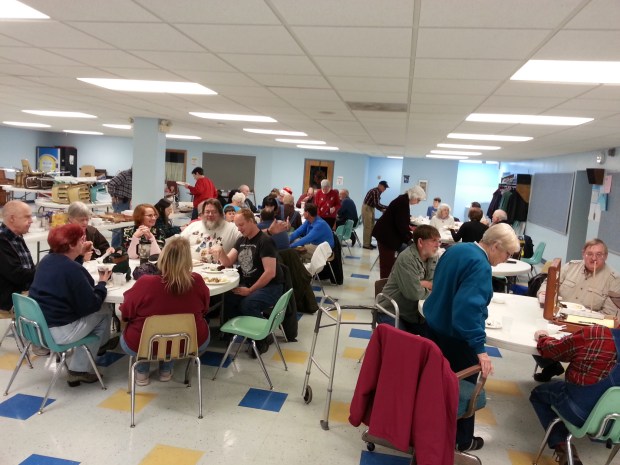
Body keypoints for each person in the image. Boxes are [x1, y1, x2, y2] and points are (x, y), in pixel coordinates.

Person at [423, 223, 520, 452]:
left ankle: (432, 428)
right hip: (455, 337)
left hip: (433, 326)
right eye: (507, 253)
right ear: (495, 246)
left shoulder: (457, 249)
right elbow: (466, 311)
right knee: (464, 387)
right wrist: (480, 350)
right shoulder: (480, 265)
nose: (506, 258)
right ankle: (462, 440)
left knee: (436, 384)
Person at [28, 223, 114, 387]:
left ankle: (93, 352)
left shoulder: (46, 261)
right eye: (82, 240)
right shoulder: (73, 270)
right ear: (72, 245)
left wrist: (80, 256)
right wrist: (102, 283)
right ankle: (83, 366)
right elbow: (91, 305)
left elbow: (68, 274)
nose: (84, 242)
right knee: (104, 310)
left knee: (98, 311)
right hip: (59, 333)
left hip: (37, 329)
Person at [120, 236, 211, 386]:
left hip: (142, 344)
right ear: (188, 260)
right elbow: (204, 309)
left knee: (140, 326)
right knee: (179, 325)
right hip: (189, 342)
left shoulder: (146, 283)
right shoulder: (197, 281)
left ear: (163, 256)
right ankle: (166, 370)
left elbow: (126, 312)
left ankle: (142, 372)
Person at [529, 324, 620, 465]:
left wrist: (543, 337)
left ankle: (563, 448)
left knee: (538, 394)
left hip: (580, 413)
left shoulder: (597, 335)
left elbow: (552, 350)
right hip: (617, 423)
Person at [534, 238, 620, 382]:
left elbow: (609, 316)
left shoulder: (614, 279)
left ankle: (575, 376)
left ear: (605, 256)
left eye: (599, 254)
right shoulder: (570, 267)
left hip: (587, 329)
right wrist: (544, 294)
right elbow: (548, 284)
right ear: (583, 254)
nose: (593, 258)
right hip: (557, 319)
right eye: (589, 253)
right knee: (536, 333)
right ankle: (551, 365)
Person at [214, 209, 284, 354]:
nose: (239, 229)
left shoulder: (265, 241)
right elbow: (228, 262)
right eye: (237, 226)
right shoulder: (241, 240)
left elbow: (270, 273)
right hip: (250, 284)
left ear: (252, 221)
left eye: (241, 225)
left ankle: (263, 337)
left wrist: (250, 291)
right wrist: (221, 252)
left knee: (248, 304)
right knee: (228, 298)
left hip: (270, 286)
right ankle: (231, 333)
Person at [377, 225, 440, 335]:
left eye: (439, 241)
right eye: (434, 241)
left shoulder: (433, 256)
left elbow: (437, 283)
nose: (438, 245)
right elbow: (414, 293)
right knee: (403, 344)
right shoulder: (406, 258)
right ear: (420, 242)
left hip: (414, 315)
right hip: (392, 311)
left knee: (440, 335)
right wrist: (428, 286)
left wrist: (424, 284)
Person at [372, 185, 426, 279]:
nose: (418, 202)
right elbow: (400, 225)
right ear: (413, 196)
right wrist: (409, 238)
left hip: (388, 235)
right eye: (418, 200)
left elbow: (402, 221)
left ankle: (390, 283)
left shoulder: (403, 199)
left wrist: (409, 232)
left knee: (389, 263)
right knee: (387, 265)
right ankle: (384, 289)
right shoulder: (403, 202)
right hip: (386, 236)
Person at [0, 200, 36, 313]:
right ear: (12, 218)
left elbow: (28, 269)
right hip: (10, 300)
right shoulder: (2, 241)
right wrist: (44, 270)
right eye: (27, 217)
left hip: (23, 291)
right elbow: (17, 274)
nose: (31, 221)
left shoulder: (16, 237)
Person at [181, 199, 241, 263]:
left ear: (221, 214)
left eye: (214, 212)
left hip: (221, 271)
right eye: (207, 212)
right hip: (193, 269)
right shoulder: (193, 226)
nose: (210, 214)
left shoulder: (232, 228)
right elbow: (178, 245)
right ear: (202, 214)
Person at [106, 167, 132, 248]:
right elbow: (110, 183)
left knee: (123, 227)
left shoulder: (133, 176)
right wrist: (113, 195)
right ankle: (114, 249)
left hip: (126, 202)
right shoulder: (125, 174)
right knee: (118, 227)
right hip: (120, 202)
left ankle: (120, 248)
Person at [362, 181, 389, 249]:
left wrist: (382, 209)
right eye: (384, 187)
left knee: (371, 227)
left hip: (371, 208)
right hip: (367, 208)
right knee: (367, 227)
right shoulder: (375, 191)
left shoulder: (377, 191)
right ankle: (366, 245)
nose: (384, 189)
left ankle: (368, 243)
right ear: (379, 185)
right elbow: (377, 204)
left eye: (385, 188)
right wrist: (389, 207)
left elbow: (376, 204)